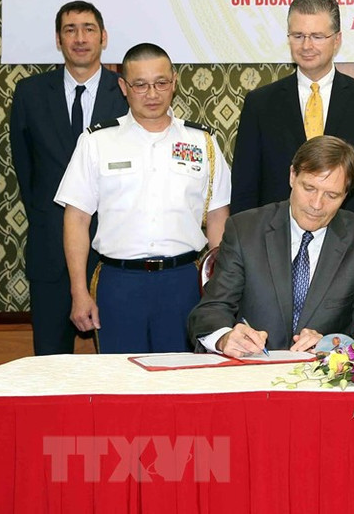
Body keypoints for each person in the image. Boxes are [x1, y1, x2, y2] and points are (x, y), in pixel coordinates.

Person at [55, 43, 231, 353]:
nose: (152, 94)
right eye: (140, 85)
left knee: (182, 377)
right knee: (121, 377)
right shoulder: (97, 141)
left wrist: (219, 292)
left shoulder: (202, 142)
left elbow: (218, 216)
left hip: (183, 283)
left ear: (174, 82)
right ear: (124, 87)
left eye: (161, 83)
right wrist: (78, 292)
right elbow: (77, 219)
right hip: (119, 283)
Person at [188, 136, 354, 357]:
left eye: (331, 195)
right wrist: (224, 338)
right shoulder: (245, 231)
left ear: (346, 194)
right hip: (252, 368)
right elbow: (211, 310)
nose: (317, 204)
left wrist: (333, 344)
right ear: (292, 176)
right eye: (309, 188)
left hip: (323, 373)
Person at [9, 0, 128, 355]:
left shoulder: (126, 92)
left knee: (119, 363)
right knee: (50, 362)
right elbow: (26, 171)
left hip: (114, 255)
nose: (80, 38)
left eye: (88, 29)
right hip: (50, 255)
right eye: (70, 30)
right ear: (58, 39)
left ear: (103, 37)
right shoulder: (30, 94)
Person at [229, 0, 354, 229]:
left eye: (317, 36)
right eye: (298, 35)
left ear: (337, 40)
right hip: (276, 240)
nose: (306, 46)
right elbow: (244, 191)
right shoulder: (260, 104)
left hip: (352, 242)